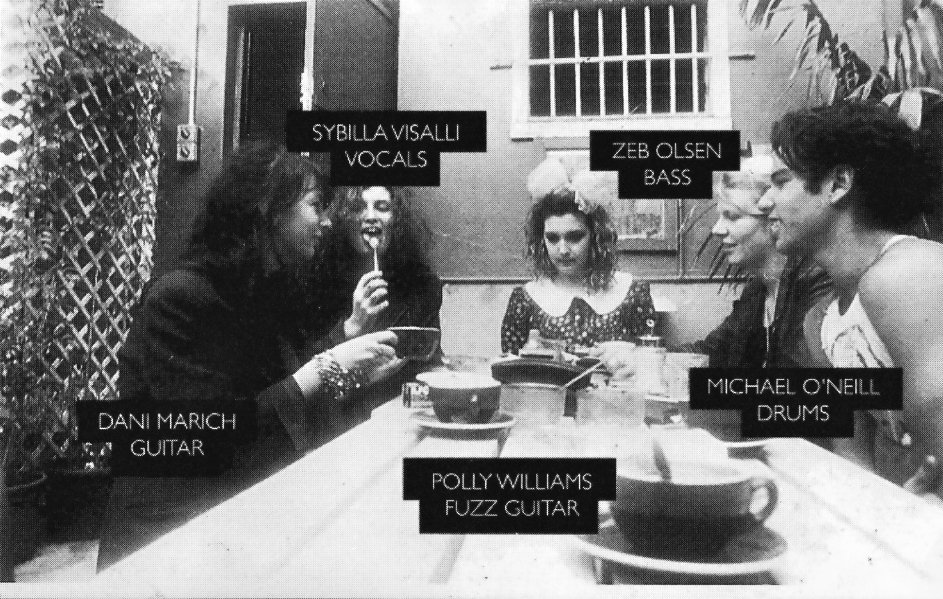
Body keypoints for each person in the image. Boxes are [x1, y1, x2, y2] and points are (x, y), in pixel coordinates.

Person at [97, 142, 401, 571]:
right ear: (270, 210)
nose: (328, 221)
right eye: (316, 205)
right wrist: (328, 368)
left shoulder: (260, 290)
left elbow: (280, 383)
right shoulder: (180, 298)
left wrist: (348, 352)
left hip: (229, 518)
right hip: (165, 541)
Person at [762, 101, 943, 503]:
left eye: (781, 181)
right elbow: (854, 464)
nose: (764, 203)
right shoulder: (821, 321)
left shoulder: (906, 273)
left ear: (839, 183)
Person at [596, 154, 831, 379]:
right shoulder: (758, 291)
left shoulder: (815, 284)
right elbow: (712, 353)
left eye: (732, 216)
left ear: (774, 220)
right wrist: (641, 355)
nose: (717, 229)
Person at [501, 158, 656, 355]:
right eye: (552, 238)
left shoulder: (632, 294)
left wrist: (631, 352)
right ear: (541, 240)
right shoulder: (524, 301)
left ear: (596, 237)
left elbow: (651, 363)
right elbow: (510, 368)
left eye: (574, 237)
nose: (563, 250)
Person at [312, 185, 442, 406]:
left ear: (397, 220)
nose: (371, 216)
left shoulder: (422, 285)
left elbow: (428, 366)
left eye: (382, 207)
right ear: (343, 220)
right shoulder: (319, 280)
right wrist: (352, 326)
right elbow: (305, 376)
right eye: (358, 207)